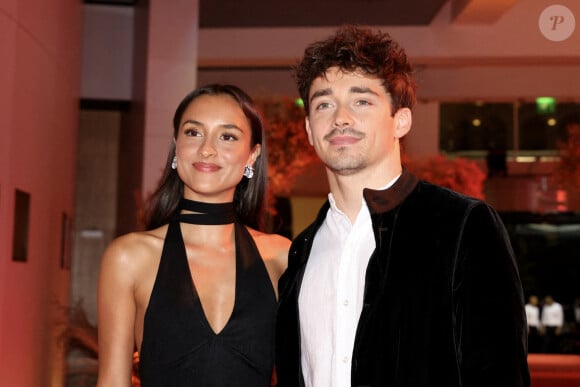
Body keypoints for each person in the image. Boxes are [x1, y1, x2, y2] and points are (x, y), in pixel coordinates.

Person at [275, 25, 530, 387]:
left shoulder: (462, 226)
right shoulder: (302, 251)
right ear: (309, 129)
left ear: (401, 120)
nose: (341, 117)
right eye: (324, 104)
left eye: (361, 100)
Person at [97, 84, 290, 386]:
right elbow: (112, 382)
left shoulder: (280, 257)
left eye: (227, 136)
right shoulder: (129, 257)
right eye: (193, 132)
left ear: (252, 155)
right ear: (176, 145)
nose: (207, 149)